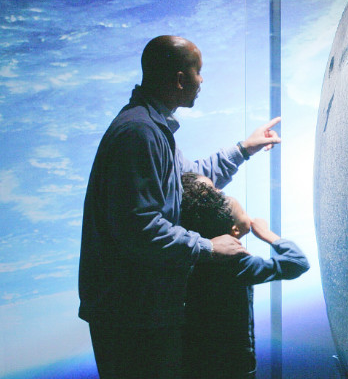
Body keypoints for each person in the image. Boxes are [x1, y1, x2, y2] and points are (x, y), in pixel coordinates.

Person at [78, 35, 282, 378]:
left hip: (137, 309)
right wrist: (208, 248)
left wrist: (244, 148)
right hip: (131, 316)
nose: (202, 80)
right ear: (179, 78)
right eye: (197, 70)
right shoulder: (138, 134)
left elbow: (190, 179)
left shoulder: (150, 128)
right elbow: (138, 227)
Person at [178, 172, 310, 379]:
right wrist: (267, 234)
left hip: (195, 355)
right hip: (234, 361)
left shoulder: (190, 256)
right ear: (235, 231)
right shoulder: (238, 264)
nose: (220, 192)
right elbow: (298, 263)